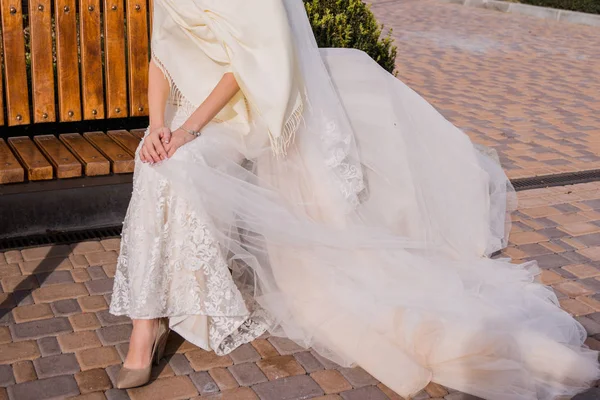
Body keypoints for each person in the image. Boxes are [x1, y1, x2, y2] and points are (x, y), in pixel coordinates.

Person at [108, 0, 600, 398]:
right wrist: (157, 127)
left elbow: (252, 66)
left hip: (237, 118)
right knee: (155, 166)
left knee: (178, 165)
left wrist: (189, 131)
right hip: (182, 119)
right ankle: (147, 321)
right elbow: (161, 59)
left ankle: (149, 325)